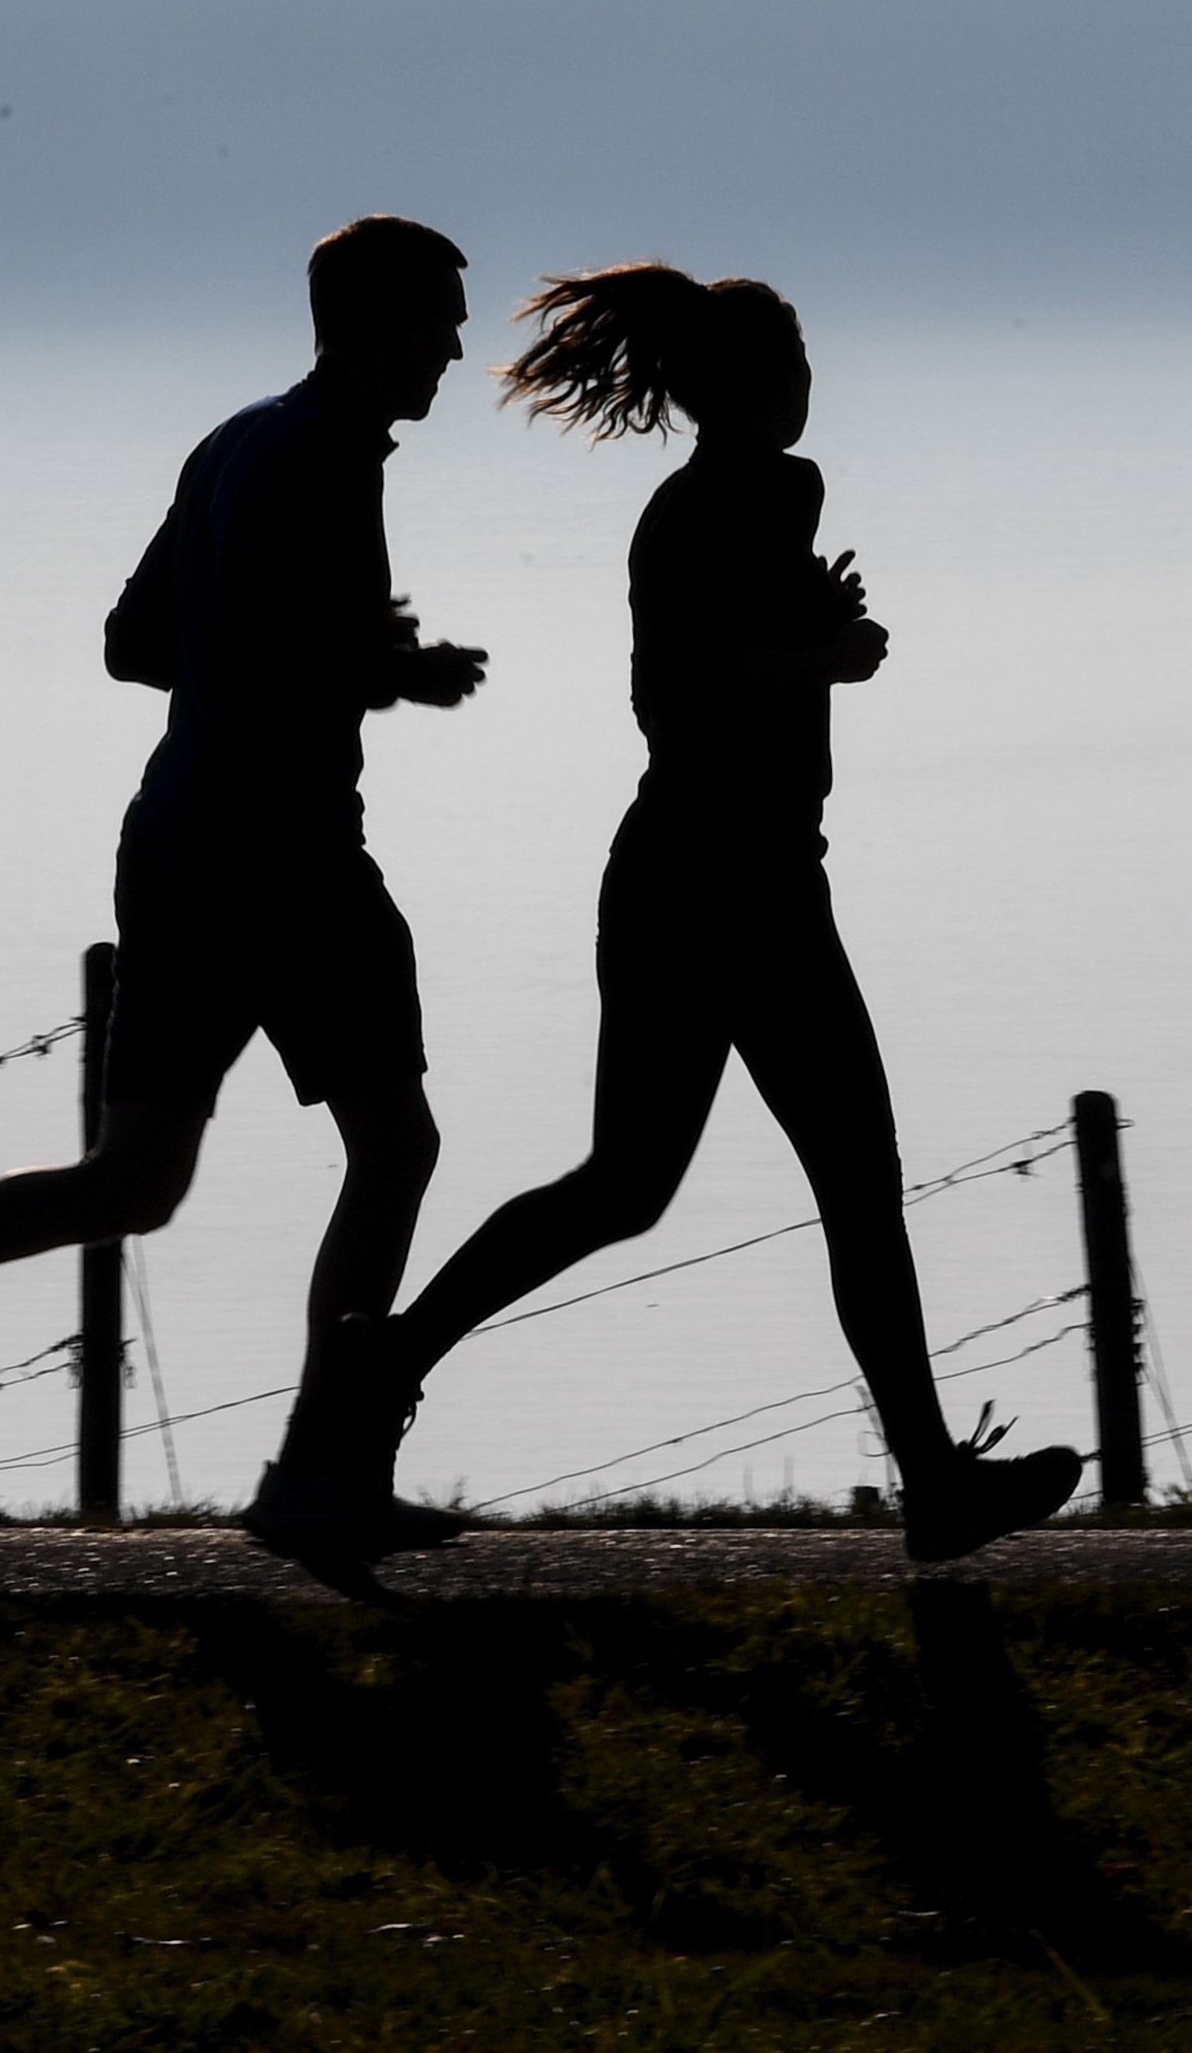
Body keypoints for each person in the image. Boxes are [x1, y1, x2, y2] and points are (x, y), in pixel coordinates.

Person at [0, 215, 492, 1575]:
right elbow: (270, 646)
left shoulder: (234, 443)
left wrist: (312, 654)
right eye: (440, 316)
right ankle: (319, 1469)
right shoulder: (324, 455)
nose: (455, 342)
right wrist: (384, 668)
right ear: (376, 322)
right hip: (289, 854)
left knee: (137, 1179)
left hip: (175, 843)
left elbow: (133, 642)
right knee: (396, 1147)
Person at [339, 262, 1079, 1568]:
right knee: (845, 1178)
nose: (812, 391)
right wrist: (828, 656)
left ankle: (391, 1353)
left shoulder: (697, 509)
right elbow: (692, 685)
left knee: (627, 1185)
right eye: (799, 367)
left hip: (683, 877)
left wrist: (808, 629)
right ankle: (934, 1487)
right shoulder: (757, 495)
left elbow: (711, 661)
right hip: (739, 885)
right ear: (768, 382)